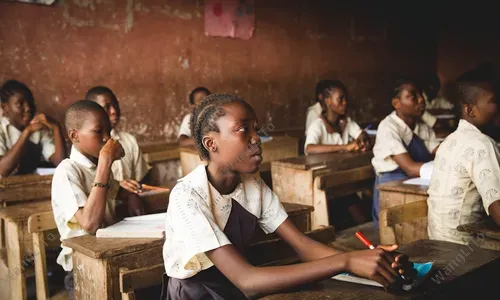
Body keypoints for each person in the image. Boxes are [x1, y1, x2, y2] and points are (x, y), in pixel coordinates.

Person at [162, 93, 415, 299]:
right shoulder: (187, 196)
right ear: (211, 143)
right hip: (199, 295)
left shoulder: (253, 184)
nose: (256, 139)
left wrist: (374, 261)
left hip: (235, 288)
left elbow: (303, 247)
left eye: (256, 130)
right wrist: (347, 261)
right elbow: (248, 280)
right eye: (243, 130)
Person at [52, 100, 144, 299]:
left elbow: (117, 192)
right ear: (74, 136)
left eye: (108, 131)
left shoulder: (95, 167)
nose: (106, 138)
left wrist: (131, 197)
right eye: (98, 131)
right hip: (81, 270)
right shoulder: (66, 171)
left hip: (110, 257)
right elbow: (89, 223)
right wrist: (105, 161)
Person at [427, 71, 500, 244]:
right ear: (469, 110)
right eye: (493, 101)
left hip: (437, 243)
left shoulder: (449, 141)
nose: (497, 107)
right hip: (464, 249)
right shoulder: (482, 144)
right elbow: (498, 212)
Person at [371, 79, 440, 226]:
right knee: (396, 227)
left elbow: (440, 152)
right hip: (392, 185)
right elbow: (409, 167)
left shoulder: (422, 126)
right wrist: (444, 168)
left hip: (416, 180)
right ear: (396, 104)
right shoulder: (388, 127)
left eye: (421, 95)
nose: (421, 99)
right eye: (413, 96)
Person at [86, 86, 152, 193]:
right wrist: (117, 187)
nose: (114, 111)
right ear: (93, 112)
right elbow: (88, 185)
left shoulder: (129, 141)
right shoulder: (87, 146)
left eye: (115, 105)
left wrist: (134, 188)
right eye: (106, 107)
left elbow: (142, 177)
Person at [0, 79, 66, 177]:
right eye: (20, 104)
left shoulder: (38, 127)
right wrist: (27, 132)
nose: (28, 108)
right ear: (5, 108)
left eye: (30, 102)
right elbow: (2, 170)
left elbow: (61, 163)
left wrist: (56, 127)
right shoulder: (2, 129)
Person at [305, 79, 371, 154]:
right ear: (328, 102)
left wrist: (362, 141)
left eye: (345, 99)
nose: (344, 102)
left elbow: (361, 134)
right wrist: (345, 147)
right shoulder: (318, 125)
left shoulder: (346, 122)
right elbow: (309, 148)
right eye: (340, 99)